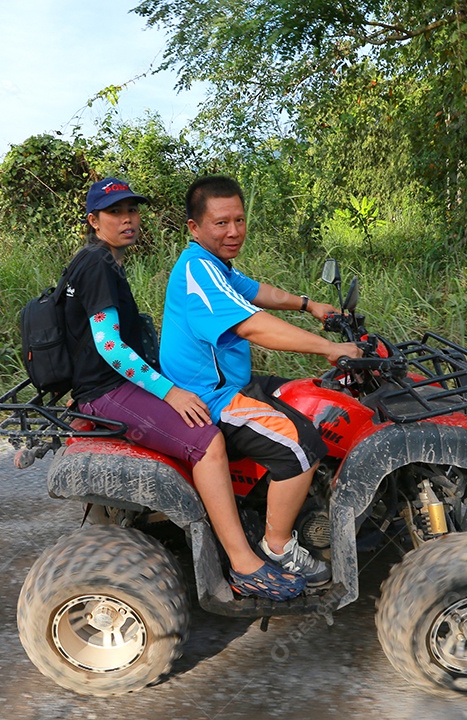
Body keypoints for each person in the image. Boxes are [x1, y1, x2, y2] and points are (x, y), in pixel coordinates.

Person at [65, 177, 305, 601]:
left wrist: (309, 304)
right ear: (93, 220)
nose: (128, 220)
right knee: (206, 439)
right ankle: (244, 564)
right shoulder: (99, 265)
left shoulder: (101, 259)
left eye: (132, 211)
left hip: (107, 382)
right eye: (116, 213)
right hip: (108, 388)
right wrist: (169, 391)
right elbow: (107, 344)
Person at [160, 174, 364, 589]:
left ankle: (304, 502)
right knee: (301, 443)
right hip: (209, 400)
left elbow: (258, 292)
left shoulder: (213, 265)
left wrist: (310, 305)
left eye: (239, 220)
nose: (233, 231)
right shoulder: (197, 272)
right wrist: (329, 347)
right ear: (194, 228)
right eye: (221, 223)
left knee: (319, 398)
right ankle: (277, 544)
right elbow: (255, 327)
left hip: (235, 383)